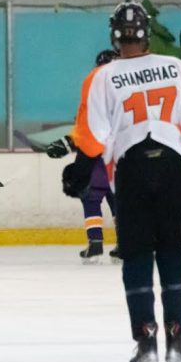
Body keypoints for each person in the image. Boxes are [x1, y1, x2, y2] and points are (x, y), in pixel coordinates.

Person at [62, 0, 181, 362]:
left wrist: (77, 175)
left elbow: (92, 140)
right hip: (174, 170)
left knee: (138, 259)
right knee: (174, 257)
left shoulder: (101, 77)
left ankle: (145, 341)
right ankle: (177, 342)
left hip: (131, 171)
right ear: (146, 33)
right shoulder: (176, 68)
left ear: (114, 34)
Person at [46, 49, 119, 264]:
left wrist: (66, 144)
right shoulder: (127, 93)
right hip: (119, 162)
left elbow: (84, 132)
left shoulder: (92, 94)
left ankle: (95, 243)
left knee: (91, 198)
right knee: (118, 202)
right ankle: (124, 245)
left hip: (95, 162)